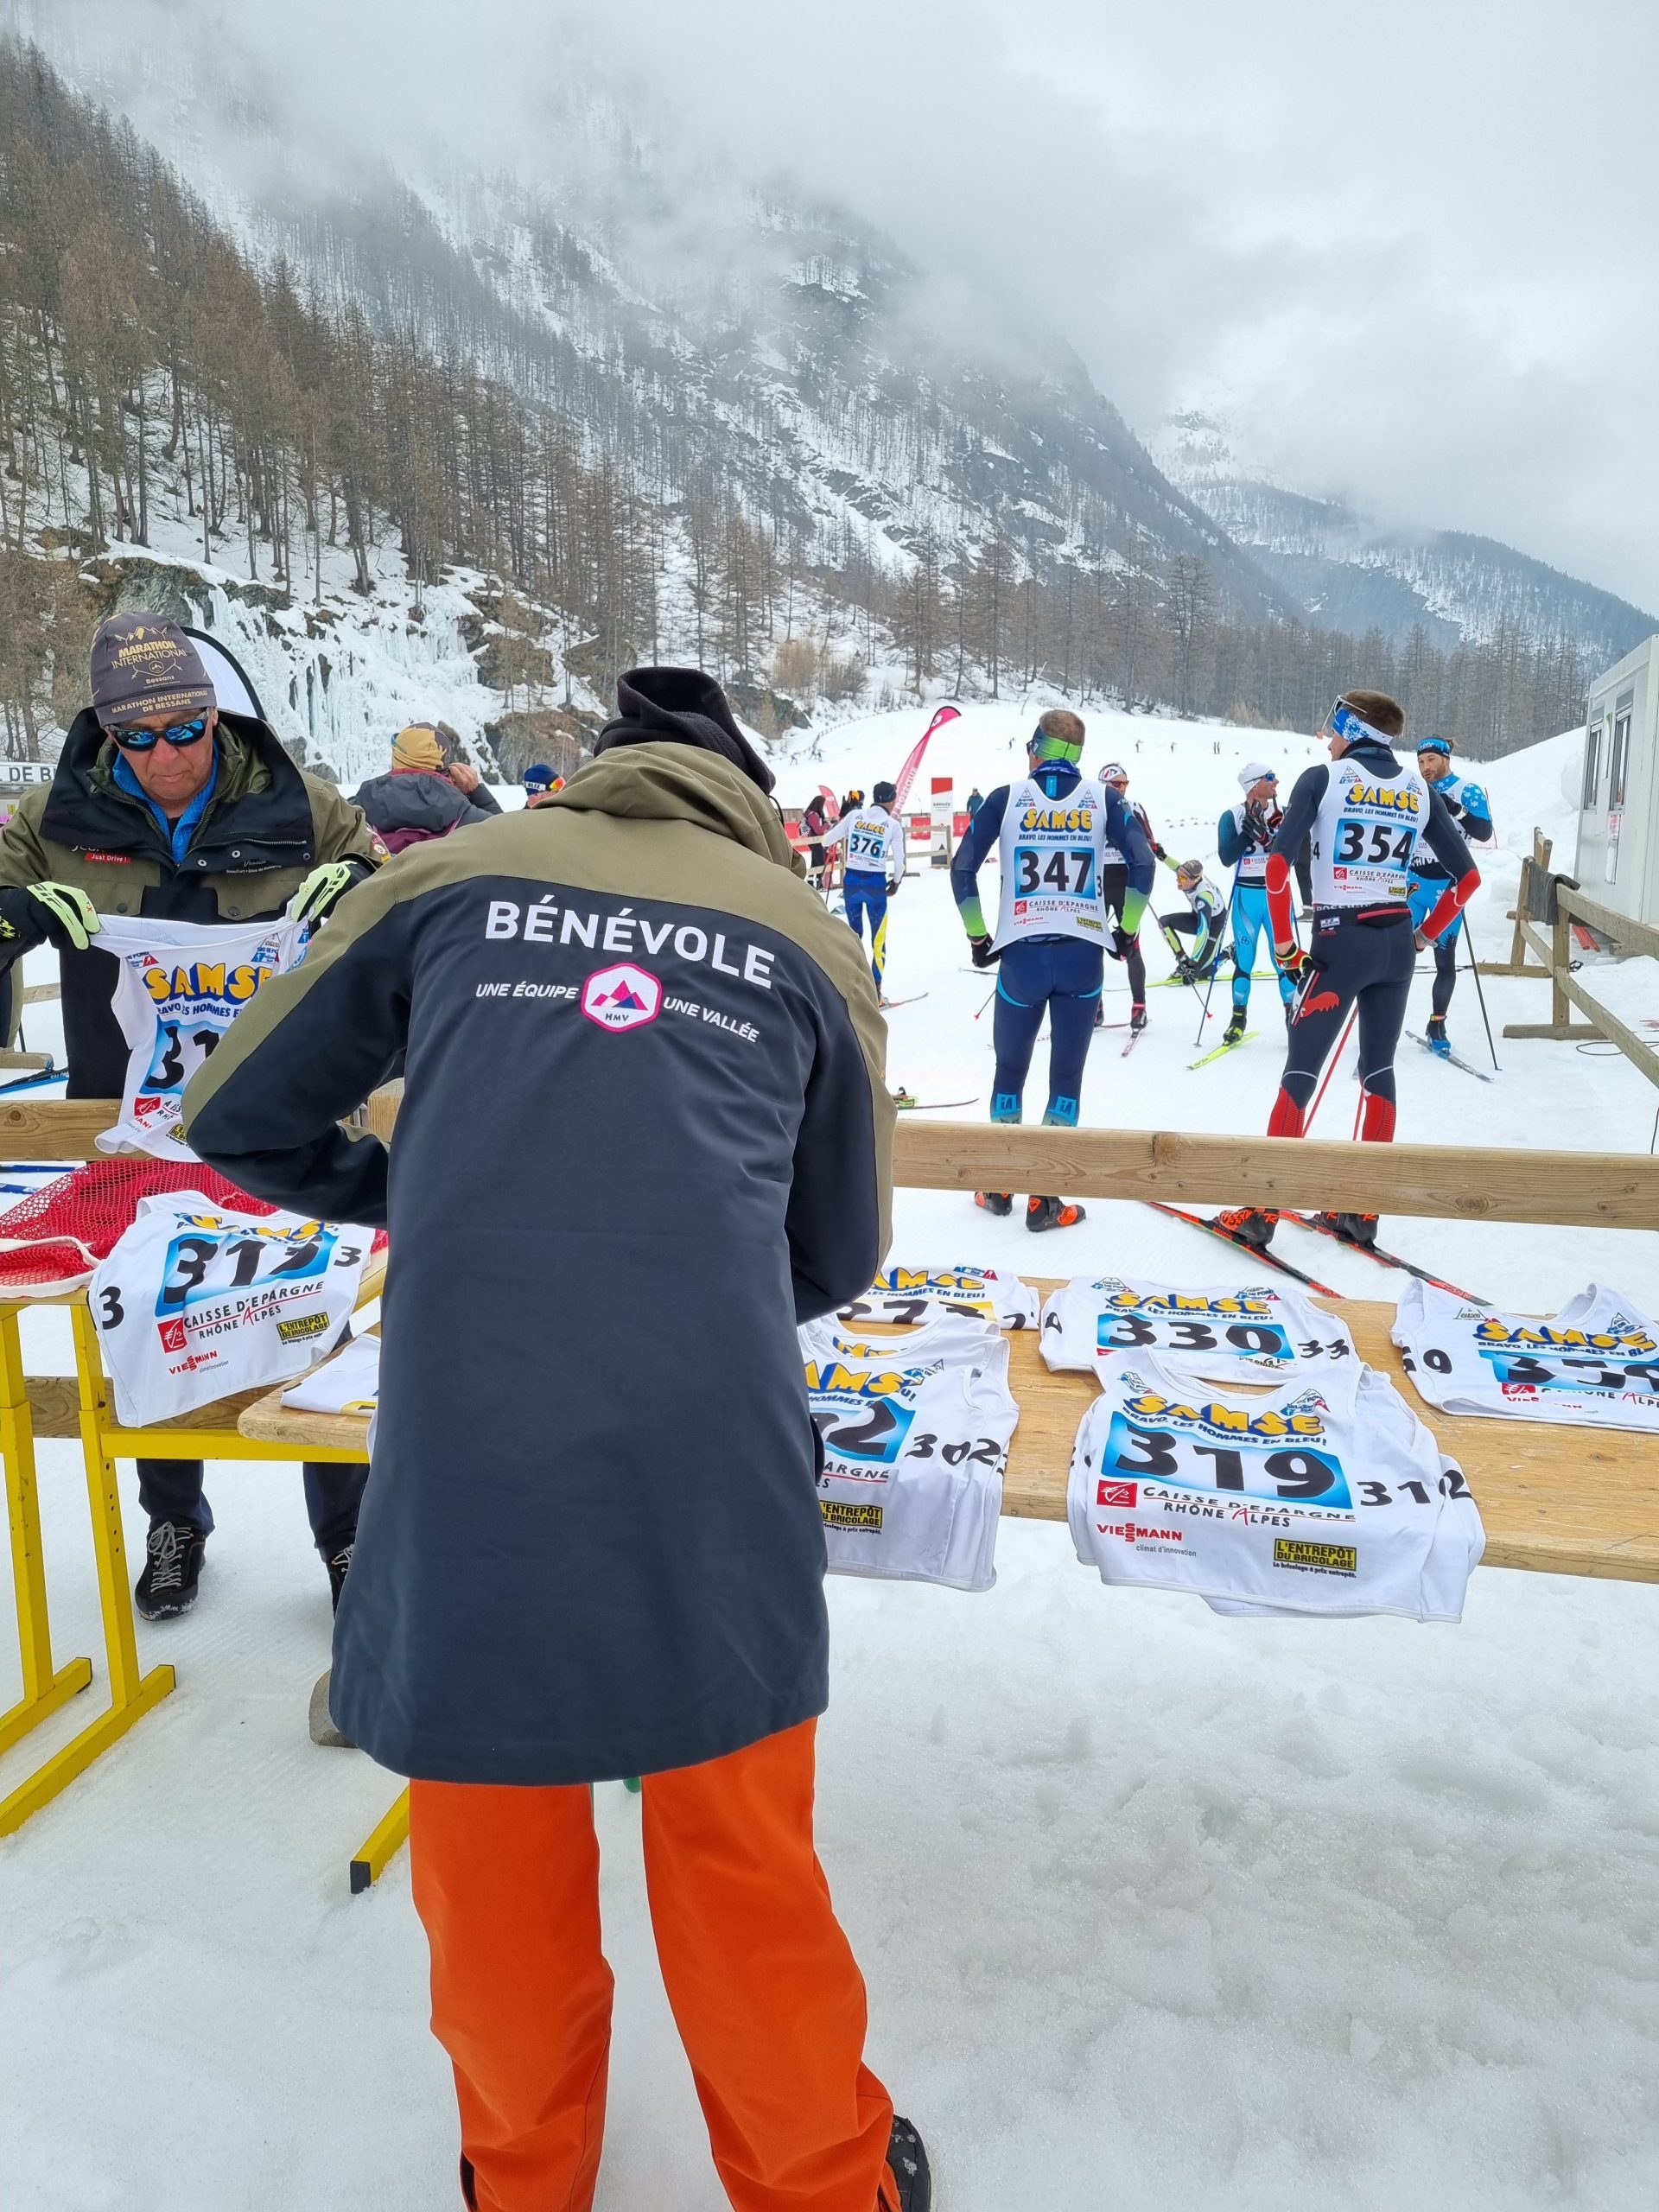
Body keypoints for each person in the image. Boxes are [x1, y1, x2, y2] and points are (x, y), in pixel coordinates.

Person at [180, 663, 929, 2212]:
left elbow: (238, 1112)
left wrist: (439, 1195)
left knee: (496, 1864)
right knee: (740, 1862)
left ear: (593, 774)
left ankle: (526, 2180)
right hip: (708, 1460)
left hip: (473, 1454)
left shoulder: (451, 878)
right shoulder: (804, 933)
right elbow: (837, 1253)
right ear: (751, 805)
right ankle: (819, 2181)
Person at [0, 612, 381, 1620]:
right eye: (140, 736)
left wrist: (366, 886)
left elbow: (404, 910)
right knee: (140, 1316)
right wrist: (18, 916)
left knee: (318, 1307)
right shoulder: (50, 815)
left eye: (186, 727)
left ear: (216, 713)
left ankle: (346, 1539)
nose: (167, 754)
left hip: (287, 1107)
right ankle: (173, 1517)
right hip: (128, 1117)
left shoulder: (307, 805)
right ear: (106, 734)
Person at [1217, 690, 1477, 1251]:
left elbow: (1280, 864)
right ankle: (1362, 1210)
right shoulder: (1417, 787)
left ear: (1347, 726)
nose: (1326, 739)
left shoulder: (1325, 777)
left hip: (1341, 938)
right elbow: (1469, 880)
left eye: (1331, 727)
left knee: (1302, 1070)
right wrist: (1427, 936)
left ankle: (1261, 1210)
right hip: (1396, 944)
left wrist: (1286, 947)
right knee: (1377, 1070)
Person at [950, 708, 1153, 1230]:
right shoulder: (1104, 798)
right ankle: (1045, 1200)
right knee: (1066, 1076)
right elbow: (1144, 863)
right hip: (1082, 954)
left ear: (1036, 747)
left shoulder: (1006, 796)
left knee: (1009, 1069)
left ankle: (998, 1186)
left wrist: (977, 935)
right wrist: (1126, 929)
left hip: (1022, 953)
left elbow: (963, 866)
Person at [1410, 734, 1494, 1055]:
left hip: (1449, 888)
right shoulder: (1416, 789)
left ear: (1445, 759)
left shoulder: (1466, 790)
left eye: (1431, 760)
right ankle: (1382, 1022)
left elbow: (1484, 832)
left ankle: (1437, 1023)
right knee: (1397, 954)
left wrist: (1456, 810)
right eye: (1420, 762)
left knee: (1444, 961)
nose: (1425, 767)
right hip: (1414, 883)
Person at [1217, 761, 1298, 1044]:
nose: (1276, 781)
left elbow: (1294, 857)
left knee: (1284, 960)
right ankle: (1238, 1017)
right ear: (1254, 784)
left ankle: (1292, 1016)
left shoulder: (1283, 814)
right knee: (1245, 959)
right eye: (1270, 777)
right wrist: (1246, 837)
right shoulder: (1232, 816)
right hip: (1246, 896)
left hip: (1277, 896)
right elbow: (1226, 858)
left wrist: (1267, 838)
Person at [353, 725, 502, 854]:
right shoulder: (469, 817)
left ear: (397, 758)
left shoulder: (357, 809)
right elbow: (506, 838)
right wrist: (477, 792)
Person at [819, 779, 906, 999]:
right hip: (876, 884)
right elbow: (899, 862)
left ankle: (853, 987)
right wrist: (895, 882)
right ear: (890, 800)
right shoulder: (892, 825)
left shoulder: (855, 816)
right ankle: (875, 991)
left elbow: (826, 840)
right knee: (878, 939)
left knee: (854, 936)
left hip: (852, 883)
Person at [1098, 761, 1166, 1033]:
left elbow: (1149, 840)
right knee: (1093, 945)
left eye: (1125, 783)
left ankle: (1139, 1007)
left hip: (1126, 882)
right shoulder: (1092, 807)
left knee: (1132, 946)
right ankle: (1096, 1006)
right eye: (1116, 784)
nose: (1122, 788)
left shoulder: (1133, 808)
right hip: (1098, 881)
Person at [1159, 858, 1227, 983]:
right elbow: (1177, 868)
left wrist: (1193, 962)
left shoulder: (1203, 896)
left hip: (1214, 925)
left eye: (1183, 879)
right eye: (1178, 877)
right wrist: (1162, 856)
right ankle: (1182, 960)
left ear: (1194, 880)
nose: (1179, 881)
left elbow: (1203, 930)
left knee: (1201, 974)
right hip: (1197, 916)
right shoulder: (1191, 878)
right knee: (1164, 922)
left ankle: (1228, 953)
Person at [800, 791, 830, 888]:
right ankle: (818, 882)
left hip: (814, 841)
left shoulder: (811, 814)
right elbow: (818, 831)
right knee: (821, 862)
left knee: (815, 862)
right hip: (815, 841)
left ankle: (812, 882)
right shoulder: (813, 816)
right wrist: (826, 824)